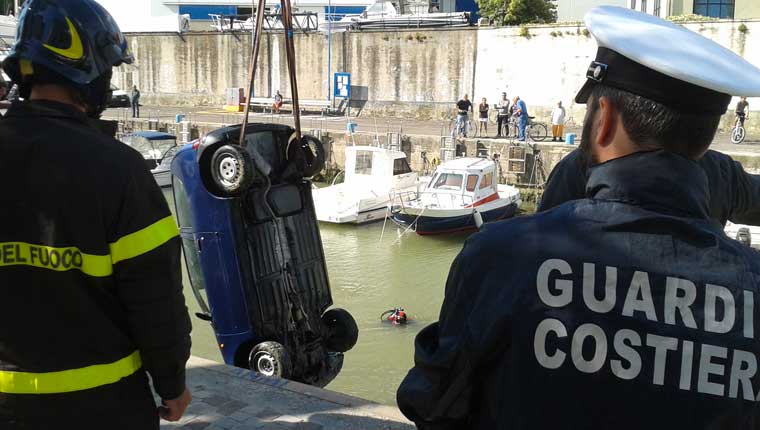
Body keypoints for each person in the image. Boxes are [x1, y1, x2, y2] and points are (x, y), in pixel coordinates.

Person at [397, 6, 760, 429]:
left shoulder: (501, 257)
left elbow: (433, 403)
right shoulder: (750, 288)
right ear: (703, 137)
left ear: (603, 121)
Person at [0, 1, 192, 429]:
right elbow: (154, 299)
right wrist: (172, 384)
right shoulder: (119, 170)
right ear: (91, 72)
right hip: (101, 407)